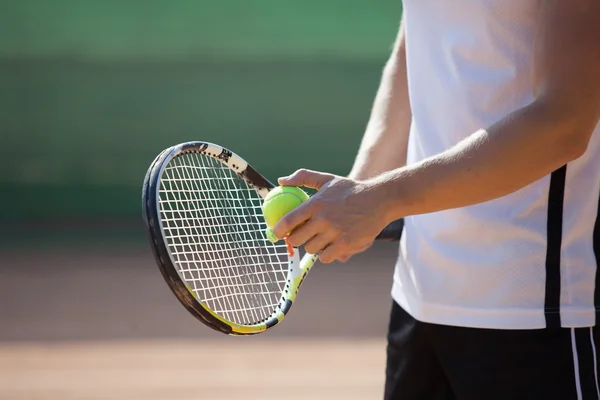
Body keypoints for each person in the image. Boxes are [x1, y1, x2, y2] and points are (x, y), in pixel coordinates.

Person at [272, 1, 600, 399]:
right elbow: (414, 52)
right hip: (418, 302)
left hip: (534, 313)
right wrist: (359, 191)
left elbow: (563, 121)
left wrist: (380, 199)